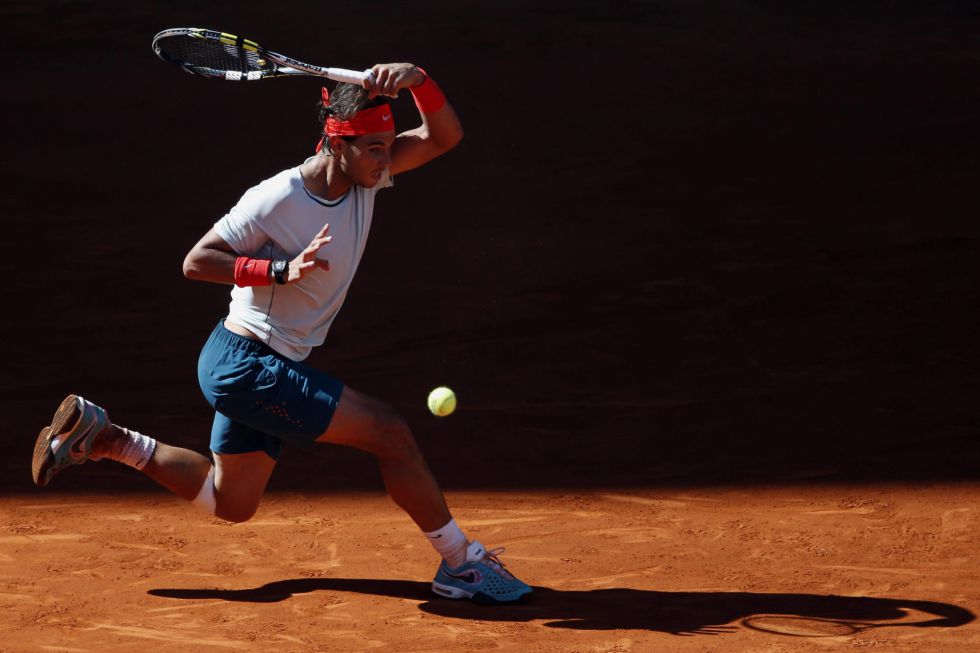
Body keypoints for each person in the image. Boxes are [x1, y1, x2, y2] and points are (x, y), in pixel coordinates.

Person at [31, 63, 531, 605]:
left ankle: (104, 438)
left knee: (232, 502)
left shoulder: (367, 175)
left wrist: (417, 82)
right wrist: (276, 271)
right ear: (337, 144)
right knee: (389, 433)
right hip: (247, 361)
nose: (388, 161)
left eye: (390, 146)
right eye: (375, 149)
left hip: (263, 363)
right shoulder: (276, 198)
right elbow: (196, 262)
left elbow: (444, 136)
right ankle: (461, 564)